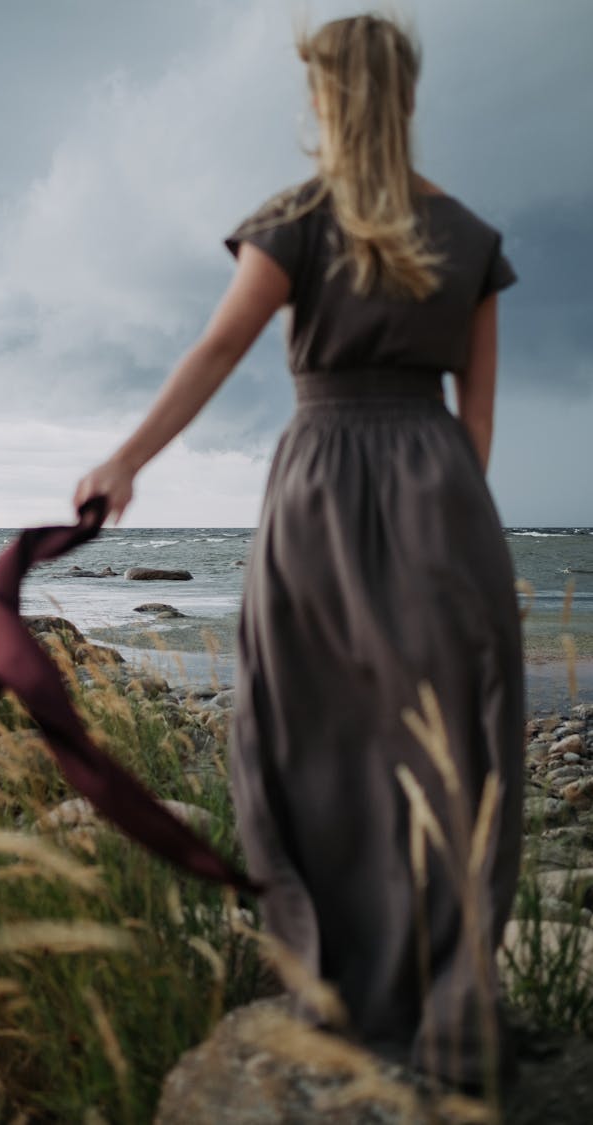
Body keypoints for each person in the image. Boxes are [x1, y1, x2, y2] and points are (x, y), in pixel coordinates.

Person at [74, 14, 524, 1089]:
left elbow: (220, 347)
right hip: (441, 494)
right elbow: (479, 424)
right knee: (447, 741)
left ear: (327, 101)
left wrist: (124, 461)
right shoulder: (469, 235)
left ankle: (331, 982)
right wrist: (447, 529)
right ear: (403, 99)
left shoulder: (298, 221)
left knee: (303, 723)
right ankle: (443, 991)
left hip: (322, 482)